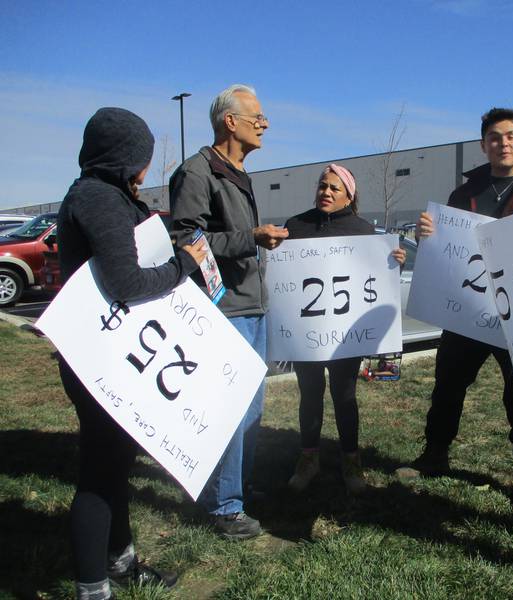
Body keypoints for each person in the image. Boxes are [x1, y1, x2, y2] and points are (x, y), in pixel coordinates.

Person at [57, 107, 207, 599]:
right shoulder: (99, 199)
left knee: (115, 462)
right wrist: (183, 264)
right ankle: (93, 587)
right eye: (141, 159)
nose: (146, 170)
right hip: (101, 359)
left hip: (115, 352)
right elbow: (126, 281)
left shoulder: (102, 193)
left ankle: (120, 561)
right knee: (100, 471)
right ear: (126, 159)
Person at [401, 107, 513, 511]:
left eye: (511, 135)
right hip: (467, 308)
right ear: (484, 144)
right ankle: (435, 453)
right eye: (495, 137)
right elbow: (442, 250)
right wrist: (428, 235)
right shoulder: (464, 194)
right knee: (448, 384)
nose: (503, 143)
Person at [170, 84, 288, 540]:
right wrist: (250, 239)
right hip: (226, 310)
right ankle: (224, 505)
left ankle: (236, 488)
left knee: (252, 407)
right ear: (229, 122)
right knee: (231, 411)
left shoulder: (237, 171)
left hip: (252, 306)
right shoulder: (197, 172)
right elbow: (187, 242)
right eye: (256, 116)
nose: (265, 123)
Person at [284, 164, 405, 495]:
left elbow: (376, 276)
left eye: (335, 188)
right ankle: (309, 458)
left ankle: (351, 461)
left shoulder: (364, 231)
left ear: (350, 196)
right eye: (322, 186)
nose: (326, 192)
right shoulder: (296, 226)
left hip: (344, 334)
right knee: (309, 394)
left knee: (344, 395)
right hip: (306, 331)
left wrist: (394, 260)